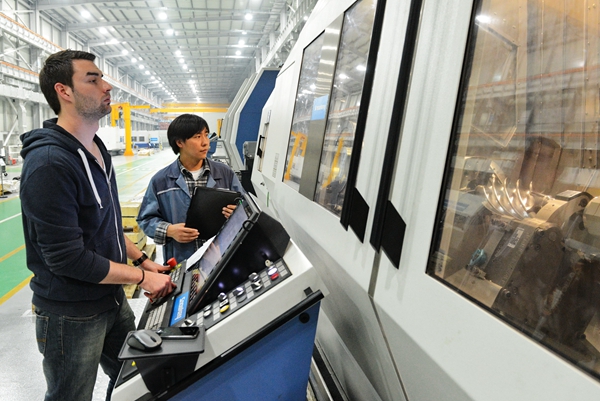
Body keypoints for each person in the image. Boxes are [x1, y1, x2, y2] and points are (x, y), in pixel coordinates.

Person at [19, 50, 176, 401]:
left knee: (137, 382)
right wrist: (141, 278)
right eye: (93, 79)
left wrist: (142, 260)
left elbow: (106, 224)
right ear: (64, 91)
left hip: (110, 299)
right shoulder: (49, 163)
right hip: (71, 314)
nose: (107, 87)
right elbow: (67, 258)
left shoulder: (95, 149)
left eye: (102, 78)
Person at [137, 114, 245, 263]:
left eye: (206, 135)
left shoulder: (225, 174)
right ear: (179, 142)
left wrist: (237, 213)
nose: (205, 142)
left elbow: (246, 208)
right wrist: (169, 230)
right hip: (181, 261)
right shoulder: (161, 181)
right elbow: (145, 219)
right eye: (197, 137)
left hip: (221, 259)